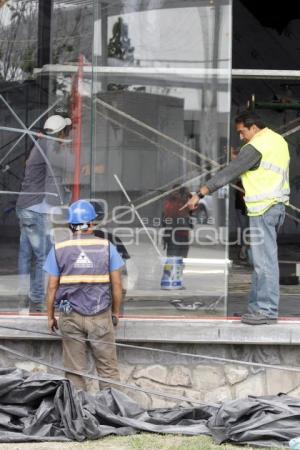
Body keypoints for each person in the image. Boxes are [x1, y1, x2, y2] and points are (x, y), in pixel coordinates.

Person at [184, 111, 290, 325]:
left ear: (254, 128)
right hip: (275, 207)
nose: (241, 137)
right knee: (260, 261)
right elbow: (257, 167)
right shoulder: (278, 140)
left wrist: (200, 193)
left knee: (264, 262)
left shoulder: (256, 146)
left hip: (263, 208)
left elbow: (229, 172)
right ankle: (255, 308)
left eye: (242, 132)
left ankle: (267, 311)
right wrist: (241, 158)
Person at [44, 200, 124, 391]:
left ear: (71, 224)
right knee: (108, 371)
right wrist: (115, 312)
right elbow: (117, 285)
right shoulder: (107, 247)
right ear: (92, 223)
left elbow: (52, 288)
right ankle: (112, 414)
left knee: (74, 372)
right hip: (100, 313)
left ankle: (78, 415)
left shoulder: (58, 249)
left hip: (68, 313)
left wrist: (50, 317)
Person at [16, 115, 73, 313]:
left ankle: (23, 297)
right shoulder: (49, 144)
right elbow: (68, 165)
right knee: (43, 256)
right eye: (65, 133)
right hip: (37, 208)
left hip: (26, 206)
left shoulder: (40, 144)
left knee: (26, 255)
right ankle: (38, 301)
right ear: (59, 132)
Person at [162, 185, 192, 258]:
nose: (177, 193)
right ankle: (169, 269)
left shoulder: (185, 202)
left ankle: (178, 269)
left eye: (179, 191)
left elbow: (193, 208)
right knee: (172, 259)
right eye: (175, 191)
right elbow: (169, 214)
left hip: (184, 234)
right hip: (173, 235)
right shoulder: (170, 202)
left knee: (181, 259)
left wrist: (189, 195)